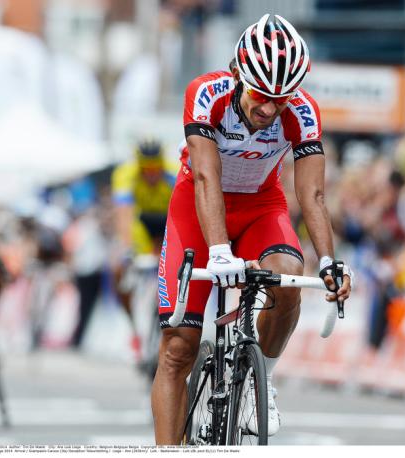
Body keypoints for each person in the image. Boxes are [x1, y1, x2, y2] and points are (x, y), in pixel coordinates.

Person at [151, 14, 353, 444]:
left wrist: (331, 261)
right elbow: (205, 177)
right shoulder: (206, 94)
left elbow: (312, 195)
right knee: (177, 347)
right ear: (240, 74)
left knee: (288, 279)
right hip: (199, 205)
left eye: (279, 100)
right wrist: (219, 251)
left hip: (262, 206)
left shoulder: (302, 111)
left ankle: (262, 383)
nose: (268, 108)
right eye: (261, 95)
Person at [110, 139, 178, 358]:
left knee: (169, 267)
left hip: (169, 220)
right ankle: (134, 329)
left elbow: (183, 212)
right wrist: (128, 247)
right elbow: (124, 214)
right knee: (118, 270)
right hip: (141, 223)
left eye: (155, 168)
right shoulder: (125, 174)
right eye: (145, 169)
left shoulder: (173, 172)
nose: (150, 174)